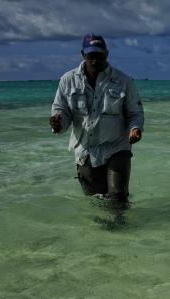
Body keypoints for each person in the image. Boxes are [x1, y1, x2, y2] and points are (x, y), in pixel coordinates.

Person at [50, 34, 144, 207]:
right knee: (97, 203)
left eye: (99, 55)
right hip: (85, 150)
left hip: (117, 146)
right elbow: (61, 112)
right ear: (82, 55)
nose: (95, 60)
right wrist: (58, 123)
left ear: (107, 54)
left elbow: (135, 113)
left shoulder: (123, 81)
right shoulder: (67, 81)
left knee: (118, 198)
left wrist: (135, 128)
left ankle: (122, 231)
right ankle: (104, 233)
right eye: (91, 56)